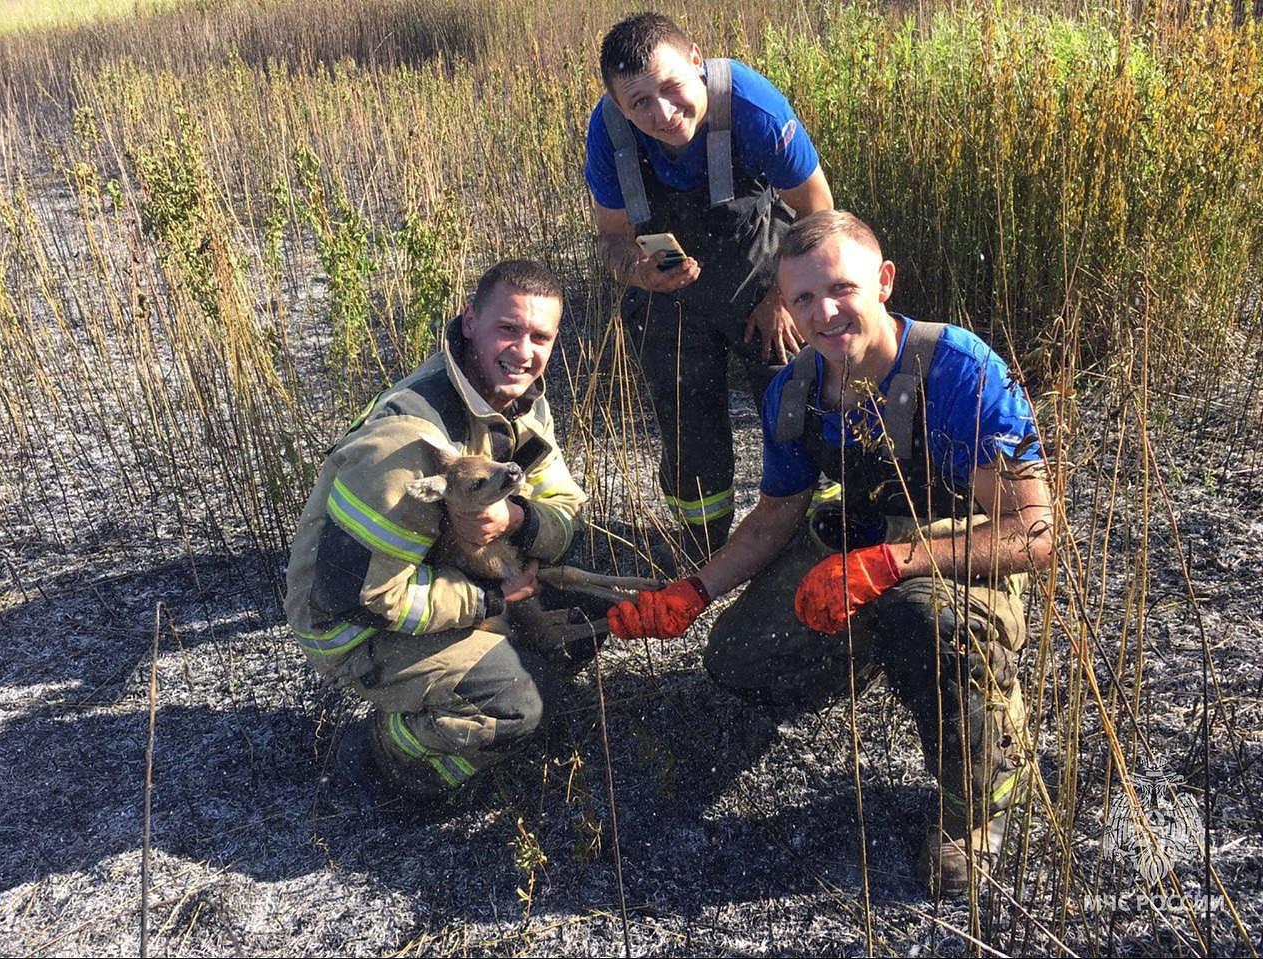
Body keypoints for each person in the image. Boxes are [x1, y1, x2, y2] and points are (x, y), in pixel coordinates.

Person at [608, 211, 1055, 895]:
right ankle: (877, 643)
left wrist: (889, 566)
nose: (825, 312)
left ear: (883, 282)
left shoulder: (962, 372)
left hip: (958, 553)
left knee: (931, 624)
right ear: (786, 305)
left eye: (841, 289)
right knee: (737, 661)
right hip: (859, 542)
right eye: (804, 299)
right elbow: (775, 517)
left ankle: (979, 798)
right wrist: (694, 590)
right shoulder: (795, 388)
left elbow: (1034, 531)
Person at [285, 259, 587, 801]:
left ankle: (499, 692)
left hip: (452, 577)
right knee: (516, 703)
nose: (524, 352)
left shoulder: (517, 404)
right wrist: (493, 598)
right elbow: (364, 596)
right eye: (508, 329)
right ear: (470, 321)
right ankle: (389, 761)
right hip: (355, 628)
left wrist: (518, 518)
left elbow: (563, 506)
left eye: (539, 336)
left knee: (590, 610)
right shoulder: (405, 442)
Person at [585, 12, 834, 563]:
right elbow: (611, 238)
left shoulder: (751, 106)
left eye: (672, 88)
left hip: (760, 273)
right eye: (639, 102)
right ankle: (702, 544)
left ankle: (816, 529)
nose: (663, 113)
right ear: (618, 104)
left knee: (796, 395)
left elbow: (819, 213)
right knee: (684, 412)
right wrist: (637, 271)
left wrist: (782, 298)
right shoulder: (607, 132)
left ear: (697, 61)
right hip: (670, 295)